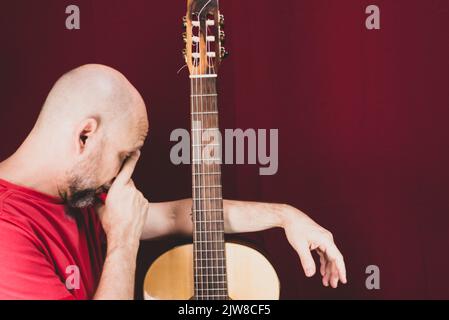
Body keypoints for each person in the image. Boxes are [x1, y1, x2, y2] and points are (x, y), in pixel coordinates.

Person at [0, 64, 346, 300]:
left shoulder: (80, 191)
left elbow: (174, 217)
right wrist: (123, 239)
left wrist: (285, 216)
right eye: (123, 156)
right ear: (85, 136)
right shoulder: (7, 235)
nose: (125, 175)